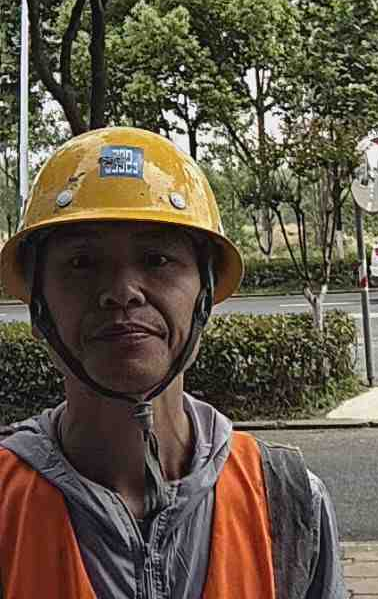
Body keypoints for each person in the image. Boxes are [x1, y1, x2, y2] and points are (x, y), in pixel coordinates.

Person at [0, 127, 346, 599]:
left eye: (157, 259)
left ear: (205, 294)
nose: (122, 292)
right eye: (81, 263)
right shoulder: (7, 501)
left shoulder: (288, 501)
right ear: (37, 307)